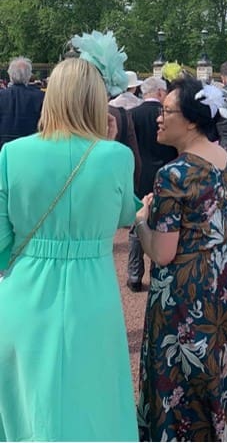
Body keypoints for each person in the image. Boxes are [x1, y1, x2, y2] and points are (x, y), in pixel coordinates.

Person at [0, 56, 138, 441]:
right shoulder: (115, 157)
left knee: (25, 412)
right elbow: (128, 213)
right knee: (93, 407)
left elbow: (1, 243)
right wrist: (105, 147)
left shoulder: (12, 154)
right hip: (91, 296)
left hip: (23, 292)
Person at [134, 77, 227, 441]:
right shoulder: (226, 160)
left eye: (167, 111)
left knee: (183, 372)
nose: (159, 118)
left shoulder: (172, 175)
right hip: (224, 276)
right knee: (221, 362)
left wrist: (142, 222)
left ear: (191, 120)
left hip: (185, 290)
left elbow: (162, 251)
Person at [127, 76, 177, 292]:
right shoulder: (167, 115)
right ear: (159, 92)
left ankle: (134, 274)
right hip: (166, 170)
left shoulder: (133, 114)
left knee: (137, 225)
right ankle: (159, 273)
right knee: (163, 224)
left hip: (140, 172)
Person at [0, 56, 44, 150]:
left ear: (10, 75)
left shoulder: (2, 96)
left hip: (3, 146)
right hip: (31, 146)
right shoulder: (41, 97)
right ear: (29, 76)